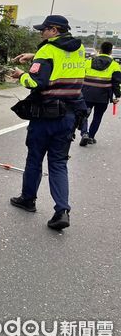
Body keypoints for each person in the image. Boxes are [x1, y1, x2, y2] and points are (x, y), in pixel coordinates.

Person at [9, 15, 86, 230]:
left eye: (44, 29)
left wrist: (19, 75)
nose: (41, 33)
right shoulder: (79, 49)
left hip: (45, 115)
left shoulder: (47, 50)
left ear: (54, 30)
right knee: (58, 163)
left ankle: (28, 199)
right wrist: (34, 56)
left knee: (34, 158)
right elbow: (62, 62)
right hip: (69, 114)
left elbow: (36, 82)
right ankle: (62, 210)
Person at [78, 41, 121, 146]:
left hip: (87, 94)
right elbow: (116, 83)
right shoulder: (115, 65)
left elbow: (79, 76)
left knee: (84, 115)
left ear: (100, 50)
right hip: (103, 97)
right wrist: (117, 95)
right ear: (110, 52)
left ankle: (84, 134)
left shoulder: (88, 62)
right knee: (97, 117)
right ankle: (91, 137)